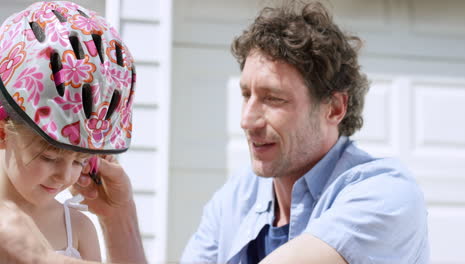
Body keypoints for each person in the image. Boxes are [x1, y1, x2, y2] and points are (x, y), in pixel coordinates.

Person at [0, 1, 430, 264]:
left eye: (273, 99)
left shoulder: (383, 196)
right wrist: (119, 218)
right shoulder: (236, 201)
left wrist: (39, 258)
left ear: (334, 107)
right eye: (246, 95)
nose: (247, 119)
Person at [0, 1, 137, 263]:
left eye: (80, 161)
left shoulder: (78, 229)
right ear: (3, 132)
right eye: (49, 157)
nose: (65, 176)